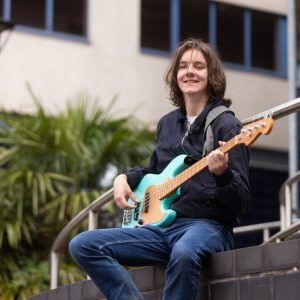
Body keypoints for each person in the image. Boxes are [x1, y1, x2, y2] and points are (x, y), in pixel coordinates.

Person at [69, 38, 251, 300]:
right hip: (161, 228)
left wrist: (223, 175)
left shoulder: (227, 126)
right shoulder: (168, 124)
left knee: (185, 252)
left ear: (211, 76)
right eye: (184, 66)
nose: (190, 71)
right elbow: (153, 172)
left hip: (207, 227)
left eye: (199, 66)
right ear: (176, 75)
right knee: (83, 245)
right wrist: (124, 178)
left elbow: (243, 202)